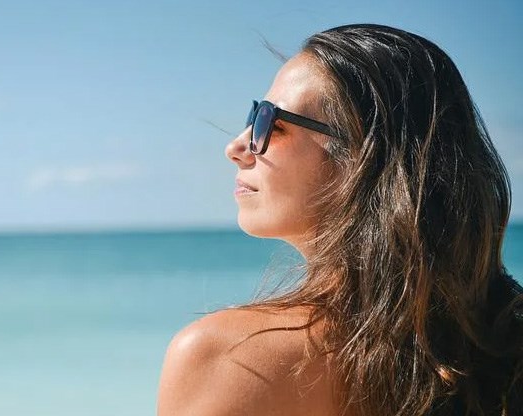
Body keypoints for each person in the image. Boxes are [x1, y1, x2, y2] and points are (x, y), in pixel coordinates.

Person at [157, 24, 523, 416]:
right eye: (254, 114)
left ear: (362, 158)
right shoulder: (498, 345)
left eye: (271, 121)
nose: (235, 146)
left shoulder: (228, 361)